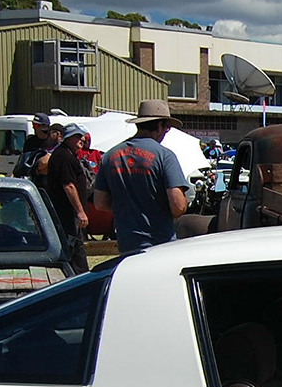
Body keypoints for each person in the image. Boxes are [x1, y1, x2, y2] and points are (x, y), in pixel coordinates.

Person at [92, 99, 189, 256]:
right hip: (160, 241)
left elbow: (100, 203)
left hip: (127, 241)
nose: (166, 132)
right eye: (167, 128)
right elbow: (178, 206)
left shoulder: (109, 156)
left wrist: (126, 209)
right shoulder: (165, 156)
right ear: (159, 126)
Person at [44, 124, 91, 271]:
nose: (81, 139)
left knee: (75, 249)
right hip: (66, 214)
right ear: (68, 138)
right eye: (77, 136)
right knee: (75, 252)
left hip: (69, 214)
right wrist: (80, 211)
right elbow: (68, 185)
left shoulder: (68, 154)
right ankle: (78, 279)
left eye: (82, 136)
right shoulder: (64, 156)